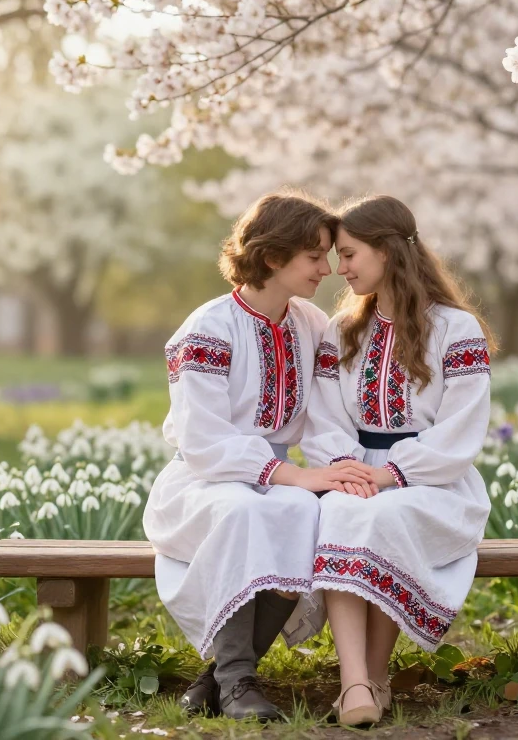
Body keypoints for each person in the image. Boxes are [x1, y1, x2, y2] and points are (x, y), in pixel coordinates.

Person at [143, 190, 378, 721]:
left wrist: (338, 469)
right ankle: (237, 681)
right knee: (244, 511)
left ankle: (223, 679)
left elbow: (324, 414)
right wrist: (292, 472)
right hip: (203, 481)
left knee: (301, 512)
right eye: (314, 256)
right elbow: (201, 441)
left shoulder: (312, 325)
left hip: (275, 480)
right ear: (273, 258)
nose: (327, 268)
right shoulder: (207, 329)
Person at [300, 194, 494, 726]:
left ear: (386, 251)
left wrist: (392, 473)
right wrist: (347, 468)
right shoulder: (343, 332)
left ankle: (377, 677)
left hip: (435, 481)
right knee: (342, 512)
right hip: (355, 472)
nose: (341, 268)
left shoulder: (457, 330)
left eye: (349, 254)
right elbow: (324, 417)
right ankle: (355, 683)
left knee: (385, 516)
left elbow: (461, 430)